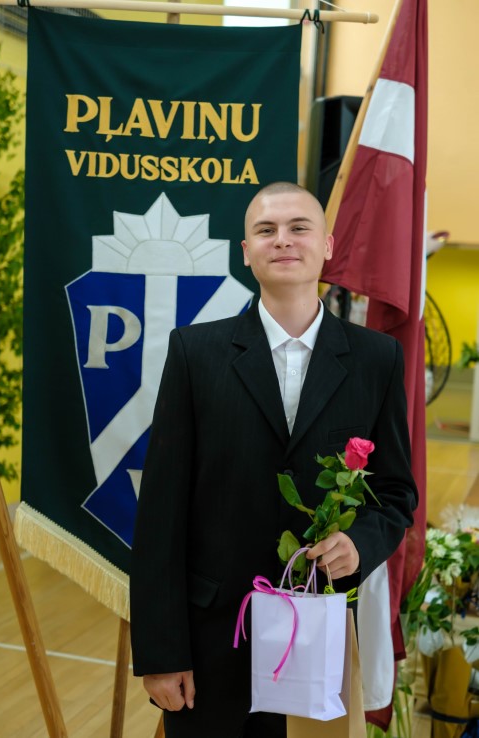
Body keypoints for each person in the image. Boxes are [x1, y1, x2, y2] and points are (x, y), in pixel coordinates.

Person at [130, 182, 418, 738]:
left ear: (327, 245)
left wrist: (360, 542)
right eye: (266, 230)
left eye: (298, 227)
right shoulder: (194, 353)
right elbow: (161, 514)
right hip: (214, 639)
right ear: (246, 251)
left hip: (321, 638)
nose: (283, 240)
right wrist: (161, 652)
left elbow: (396, 492)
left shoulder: (376, 359)